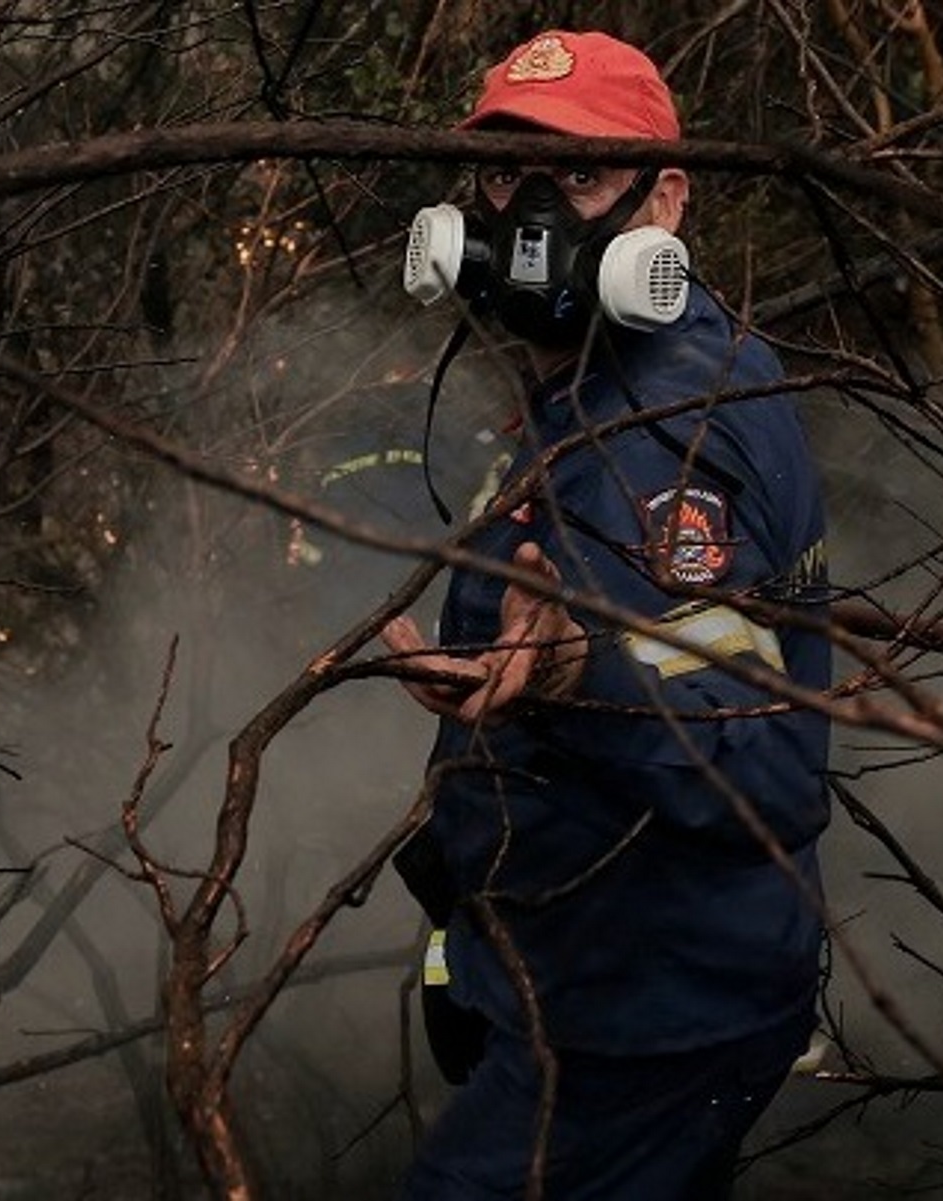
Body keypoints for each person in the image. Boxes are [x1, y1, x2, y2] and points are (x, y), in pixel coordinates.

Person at [382, 29, 832, 1200]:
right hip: (584, 980)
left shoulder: (652, 443)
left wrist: (584, 677)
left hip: (642, 1019)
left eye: (577, 178)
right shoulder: (622, 384)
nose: (528, 222)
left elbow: (770, 780)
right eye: (502, 180)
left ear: (662, 202)